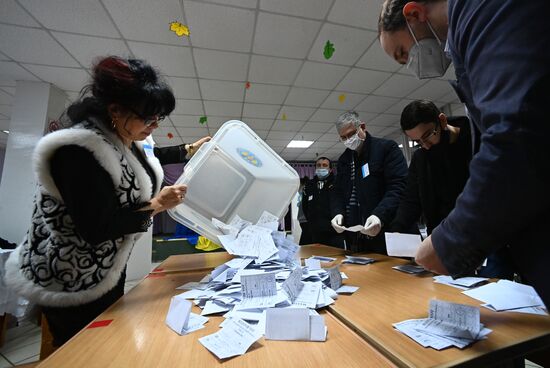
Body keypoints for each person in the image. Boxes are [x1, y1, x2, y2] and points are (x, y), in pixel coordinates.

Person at [5, 56, 210, 346]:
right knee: (84, 350)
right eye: (147, 118)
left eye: (158, 118)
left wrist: (188, 149)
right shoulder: (78, 150)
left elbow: (148, 157)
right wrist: (157, 204)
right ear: (115, 109)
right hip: (71, 276)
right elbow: (97, 228)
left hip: (106, 268)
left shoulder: (120, 135)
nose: (153, 125)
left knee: (109, 340)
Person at [378, 0, 550, 308]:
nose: (410, 64)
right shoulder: (466, 40)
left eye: (403, 53)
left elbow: (516, 135)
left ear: (414, 14)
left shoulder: (484, 14)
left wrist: (449, 243)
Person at [390, 100, 514, 278]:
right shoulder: (421, 157)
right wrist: (398, 228)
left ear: (441, 120)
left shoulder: (476, 139)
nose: (425, 145)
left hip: (484, 237)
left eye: (428, 136)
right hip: (444, 242)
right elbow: (411, 198)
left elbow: (489, 194)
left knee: (492, 290)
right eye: (417, 142)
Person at [331, 111, 408, 253]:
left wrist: (379, 215)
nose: (348, 140)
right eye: (343, 138)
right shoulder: (344, 160)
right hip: (356, 237)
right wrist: (338, 213)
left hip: (387, 230)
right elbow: (338, 192)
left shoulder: (386, 148)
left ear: (362, 127)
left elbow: (398, 186)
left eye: (351, 134)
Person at [301, 157, 343, 248]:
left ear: (330, 169)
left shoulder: (337, 183)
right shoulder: (309, 185)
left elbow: (340, 203)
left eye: (325, 165)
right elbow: (305, 206)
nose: (321, 168)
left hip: (333, 233)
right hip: (315, 233)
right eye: (319, 165)